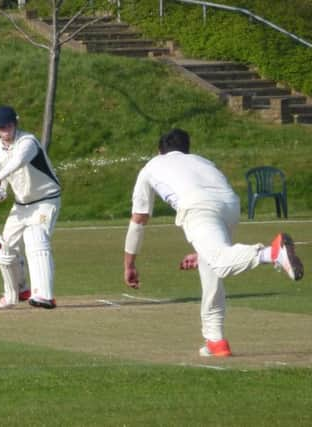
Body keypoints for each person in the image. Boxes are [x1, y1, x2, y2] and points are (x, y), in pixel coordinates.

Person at [123, 128, 303, 357]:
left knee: (218, 263)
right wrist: (202, 252)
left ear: (160, 151)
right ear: (187, 150)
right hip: (230, 205)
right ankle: (215, 340)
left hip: (198, 207)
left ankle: (272, 253)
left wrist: (129, 264)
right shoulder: (202, 161)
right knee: (212, 275)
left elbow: (138, 219)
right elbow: (213, 201)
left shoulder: (151, 167)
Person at [0, 105, 62, 309]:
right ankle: (16, 293)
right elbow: (2, 186)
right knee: (3, 247)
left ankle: (44, 296)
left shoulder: (28, 142)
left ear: (15, 123)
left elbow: (17, 162)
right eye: (1, 128)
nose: (6, 131)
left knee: (35, 236)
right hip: (21, 205)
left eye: (8, 126)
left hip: (46, 200)